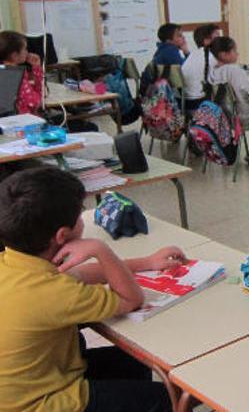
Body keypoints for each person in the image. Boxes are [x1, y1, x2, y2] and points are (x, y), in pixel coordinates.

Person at [0, 167, 184, 412]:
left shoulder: (13, 262)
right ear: (62, 235)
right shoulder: (56, 292)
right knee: (165, 398)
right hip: (39, 402)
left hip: (29, 383)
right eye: (80, 214)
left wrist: (147, 263)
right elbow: (131, 298)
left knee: (134, 361)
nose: (84, 216)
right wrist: (100, 248)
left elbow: (81, 274)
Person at [208, 36, 249, 164]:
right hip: (240, 116)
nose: (237, 53)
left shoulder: (212, 70)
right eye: (235, 50)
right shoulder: (234, 70)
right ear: (224, 54)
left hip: (222, 117)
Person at [0, 30, 44, 115]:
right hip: (22, 123)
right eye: (25, 49)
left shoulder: (4, 71)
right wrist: (38, 68)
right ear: (14, 55)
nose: (27, 52)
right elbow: (35, 102)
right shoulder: (14, 74)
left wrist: (36, 67)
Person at [181, 24, 221, 113]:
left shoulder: (193, 55)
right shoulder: (213, 56)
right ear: (206, 41)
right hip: (201, 103)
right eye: (217, 36)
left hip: (186, 103)